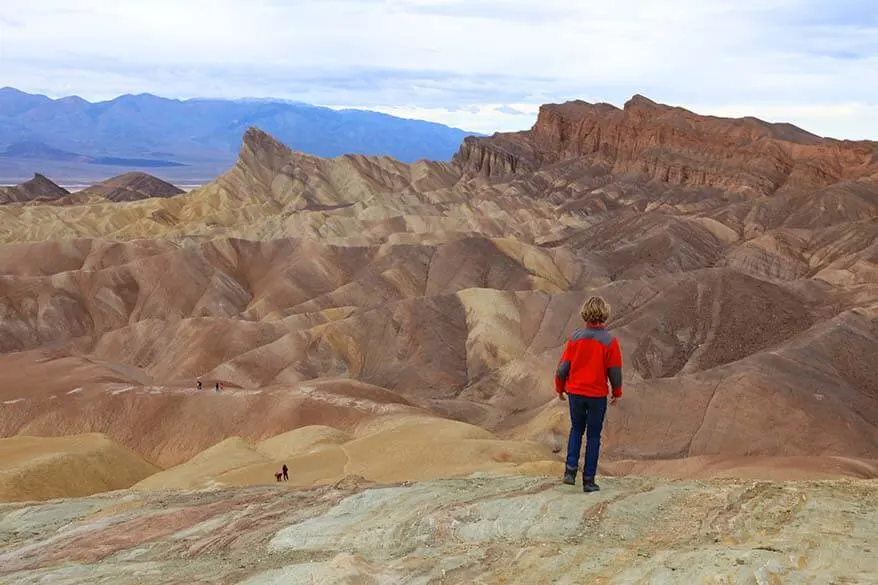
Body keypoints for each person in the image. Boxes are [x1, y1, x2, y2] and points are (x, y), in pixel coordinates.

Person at [554, 296, 623, 493]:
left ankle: (570, 471)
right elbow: (615, 371)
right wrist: (617, 392)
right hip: (596, 395)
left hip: (575, 392)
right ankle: (589, 480)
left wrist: (560, 388)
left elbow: (562, 369)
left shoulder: (575, 338)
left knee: (576, 429)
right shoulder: (610, 342)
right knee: (593, 436)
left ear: (585, 313)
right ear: (605, 315)